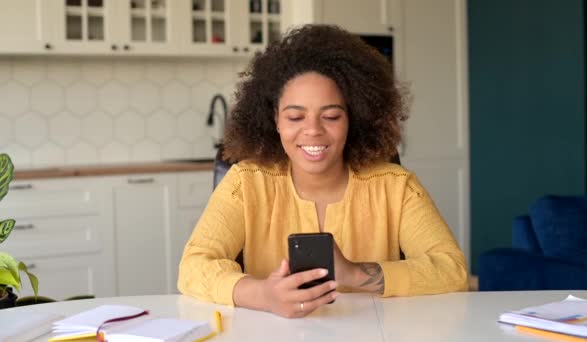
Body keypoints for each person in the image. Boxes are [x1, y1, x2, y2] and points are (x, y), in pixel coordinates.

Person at [178, 24, 468, 318]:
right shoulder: (245, 183)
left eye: (330, 116)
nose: (313, 131)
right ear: (275, 121)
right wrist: (262, 294)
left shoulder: (397, 187)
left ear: (353, 119)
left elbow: (453, 269)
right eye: (295, 116)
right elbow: (193, 267)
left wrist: (356, 274)